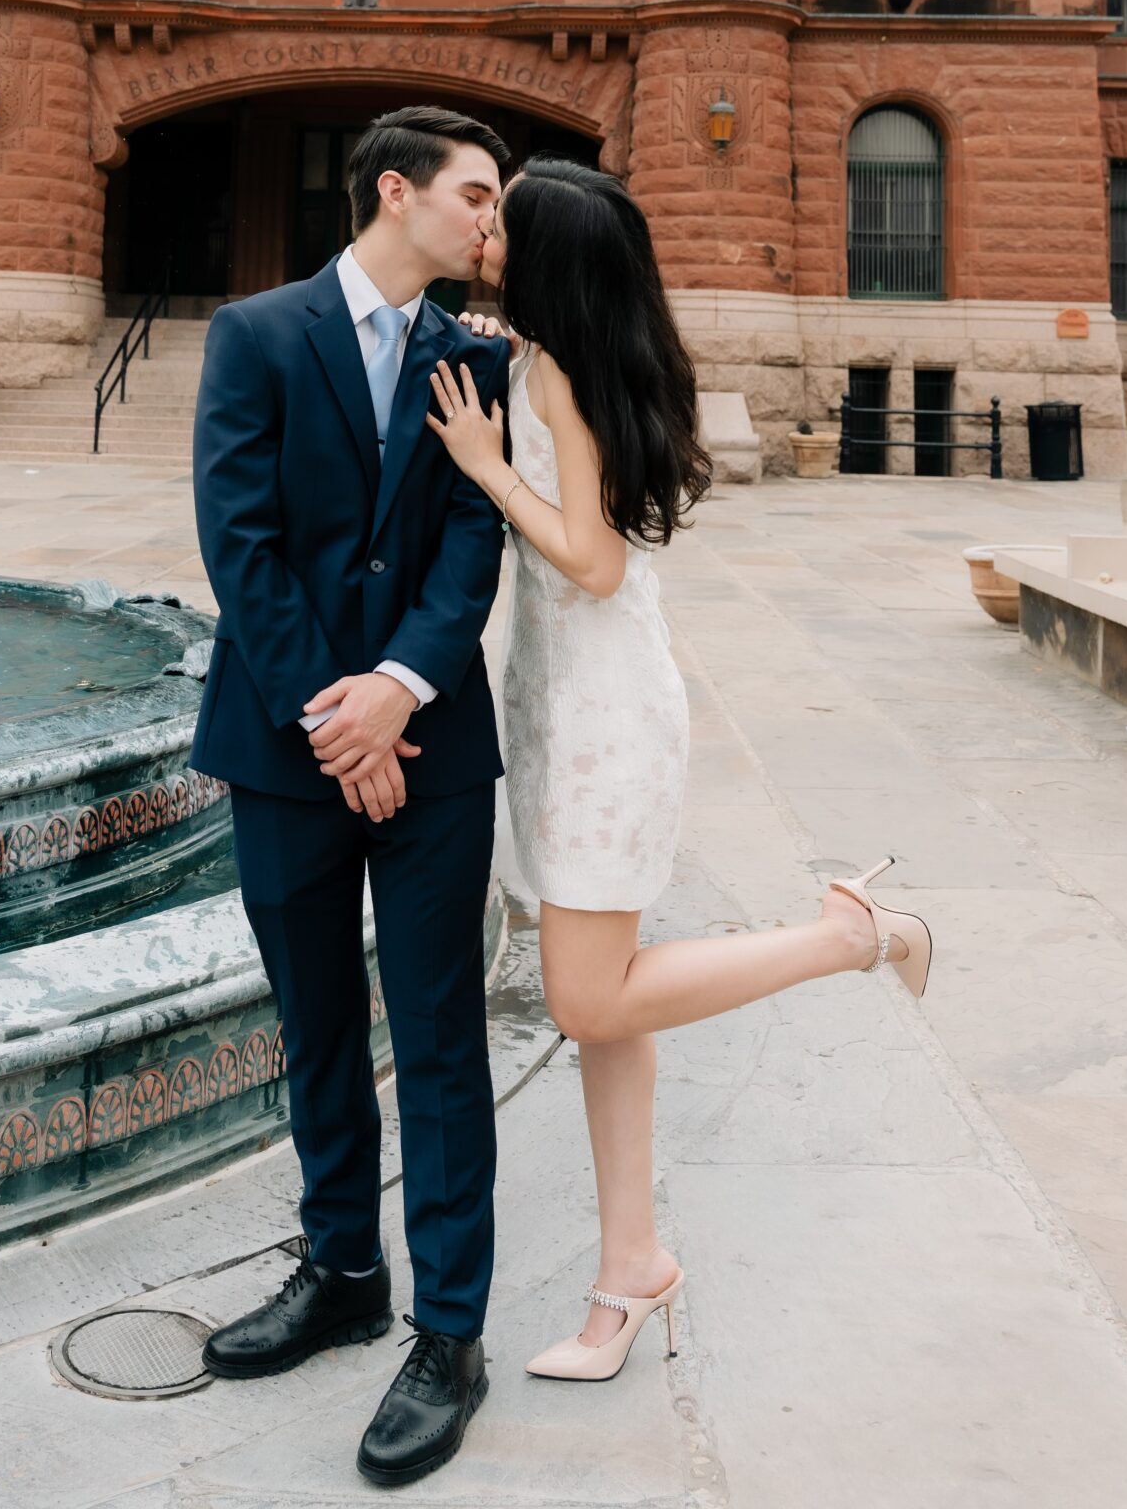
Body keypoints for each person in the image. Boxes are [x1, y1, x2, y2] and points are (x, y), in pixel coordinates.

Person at [426, 156, 935, 1383]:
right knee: (614, 1011)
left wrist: (486, 465)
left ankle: (854, 935)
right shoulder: (564, 354)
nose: (487, 232)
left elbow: (593, 563)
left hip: (602, 719)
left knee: (589, 1000)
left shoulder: (553, 375)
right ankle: (632, 1266)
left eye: (507, 221)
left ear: (546, 257)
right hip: (564, 704)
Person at [190, 106, 513, 1489]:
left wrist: (399, 687)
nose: (491, 227)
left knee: (437, 1037)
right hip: (285, 746)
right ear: (397, 192)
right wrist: (338, 716)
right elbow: (238, 544)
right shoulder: (253, 337)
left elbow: (471, 540)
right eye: (476, 199)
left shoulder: (473, 358)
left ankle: (447, 1331)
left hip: (430, 746)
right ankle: (339, 1271)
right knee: (315, 1020)